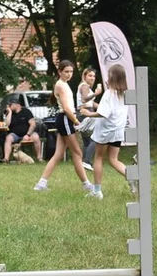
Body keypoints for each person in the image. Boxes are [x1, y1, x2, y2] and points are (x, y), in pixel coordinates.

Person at [33, 60, 92, 191]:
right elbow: (66, 108)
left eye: (71, 71)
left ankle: (41, 184)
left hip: (65, 119)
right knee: (77, 153)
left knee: (59, 154)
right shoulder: (60, 85)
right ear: (59, 72)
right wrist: (77, 122)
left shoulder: (64, 84)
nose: (69, 74)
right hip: (65, 119)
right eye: (66, 71)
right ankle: (86, 185)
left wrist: (75, 120)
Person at [78, 64, 133, 198]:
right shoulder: (125, 93)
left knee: (99, 157)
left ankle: (97, 191)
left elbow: (103, 113)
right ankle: (132, 177)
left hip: (105, 130)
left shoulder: (109, 93)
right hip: (118, 130)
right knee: (114, 159)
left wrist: (88, 114)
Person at [76, 67, 101, 168]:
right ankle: (87, 161)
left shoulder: (86, 87)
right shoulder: (85, 86)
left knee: (87, 141)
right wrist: (96, 93)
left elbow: (91, 102)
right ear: (84, 76)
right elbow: (84, 99)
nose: (92, 78)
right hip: (86, 113)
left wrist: (101, 107)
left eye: (94, 76)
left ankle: (85, 163)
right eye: (90, 75)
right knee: (97, 138)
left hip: (83, 113)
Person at [0, 95, 38, 164]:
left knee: (36, 136)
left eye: (10, 105)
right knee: (8, 138)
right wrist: (10, 113)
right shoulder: (9, 113)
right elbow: (6, 125)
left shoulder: (26, 112)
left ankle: (39, 158)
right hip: (15, 134)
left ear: (16, 104)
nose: (8, 106)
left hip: (27, 134)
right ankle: (6, 159)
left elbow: (33, 124)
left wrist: (28, 135)